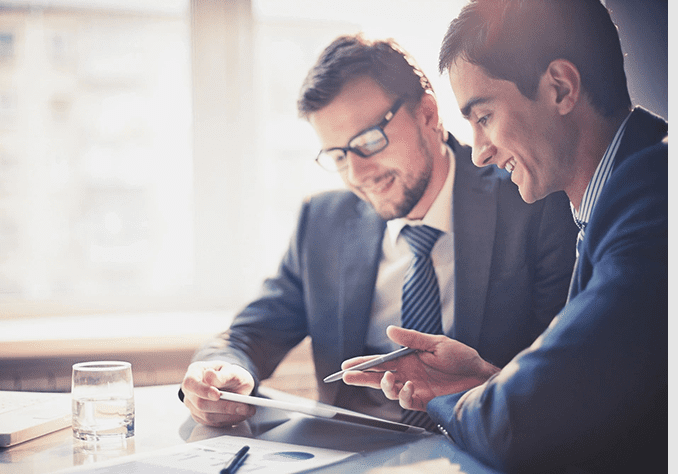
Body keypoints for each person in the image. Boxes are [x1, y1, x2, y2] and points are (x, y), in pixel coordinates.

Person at [341, 0, 667, 474]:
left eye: (484, 117)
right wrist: (488, 379)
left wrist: (461, 398)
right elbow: (598, 400)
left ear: (560, 87)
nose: (479, 153)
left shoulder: (650, 200)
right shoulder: (619, 195)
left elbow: (521, 424)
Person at [181, 34, 577, 431]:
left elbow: (561, 378)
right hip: (350, 458)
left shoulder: (531, 200)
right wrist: (218, 372)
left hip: (479, 449)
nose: (357, 174)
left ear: (427, 114)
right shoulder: (322, 222)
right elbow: (250, 334)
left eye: (369, 141)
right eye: (338, 155)